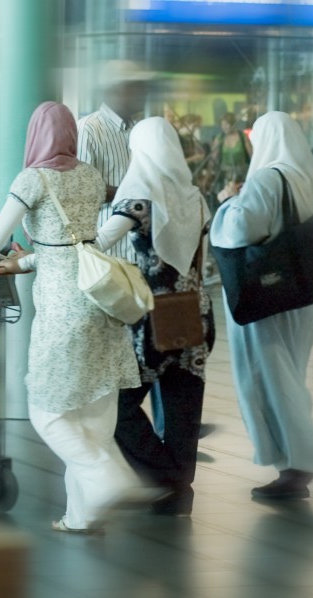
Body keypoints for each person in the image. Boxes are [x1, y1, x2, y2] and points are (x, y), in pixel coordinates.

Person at [0, 101, 156, 533]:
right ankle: (82, 515)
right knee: (95, 412)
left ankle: (109, 479)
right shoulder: (89, 175)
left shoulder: (33, 178)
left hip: (64, 307)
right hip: (100, 300)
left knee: (48, 411)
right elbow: (72, 243)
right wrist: (24, 264)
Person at [211, 112, 313, 501]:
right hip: (302, 294)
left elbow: (240, 230)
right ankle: (298, 457)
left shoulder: (267, 178)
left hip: (267, 295)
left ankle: (300, 461)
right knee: (289, 374)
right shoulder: (310, 177)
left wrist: (228, 202)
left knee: (268, 379)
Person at [96, 117, 214, 517]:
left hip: (153, 318)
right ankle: (180, 491)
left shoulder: (139, 195)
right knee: (184, 404)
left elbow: (103, 239)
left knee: (117, 403)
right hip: (196, 313)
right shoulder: (195, 196)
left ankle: (164, 478)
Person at [77, 60, 153, 260]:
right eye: (137, 88)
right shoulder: (89, 129)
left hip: (138, 246)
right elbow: (83, 189)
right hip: (107, 247)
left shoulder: (139, 129)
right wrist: (132, 196)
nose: (143, 94)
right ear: (117, 91)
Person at [210, 112, 252, 198]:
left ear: (233, 124)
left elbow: (252, 156)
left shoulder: (242, 136)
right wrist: (208, 176)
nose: (225, 127)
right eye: (223, 124)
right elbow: (213, 158)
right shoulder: (220, 138)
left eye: (227, 124)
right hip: (225, 175)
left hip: (242, 175)